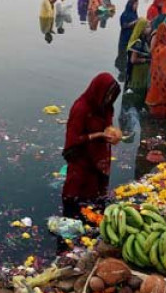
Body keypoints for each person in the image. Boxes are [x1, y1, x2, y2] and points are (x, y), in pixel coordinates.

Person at [61, 73, 121, 218]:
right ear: (98, 91)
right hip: (81, 158)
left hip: (97, 158)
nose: (108, 100)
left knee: (96, 196)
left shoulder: (105, 107)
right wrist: (99, 135)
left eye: (111, 97)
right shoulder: (81, 108)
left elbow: (108, 125)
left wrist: (113, 134)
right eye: (106, 95)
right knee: (74, 198)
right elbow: (73, 139)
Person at [127, 18, 153, 92]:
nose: (150, 29)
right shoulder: (138, 42)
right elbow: (133, 60)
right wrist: (147, 60)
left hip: (140, 72)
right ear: (142, 29)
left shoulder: (143, 39)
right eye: (147, 27)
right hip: (136, 74)